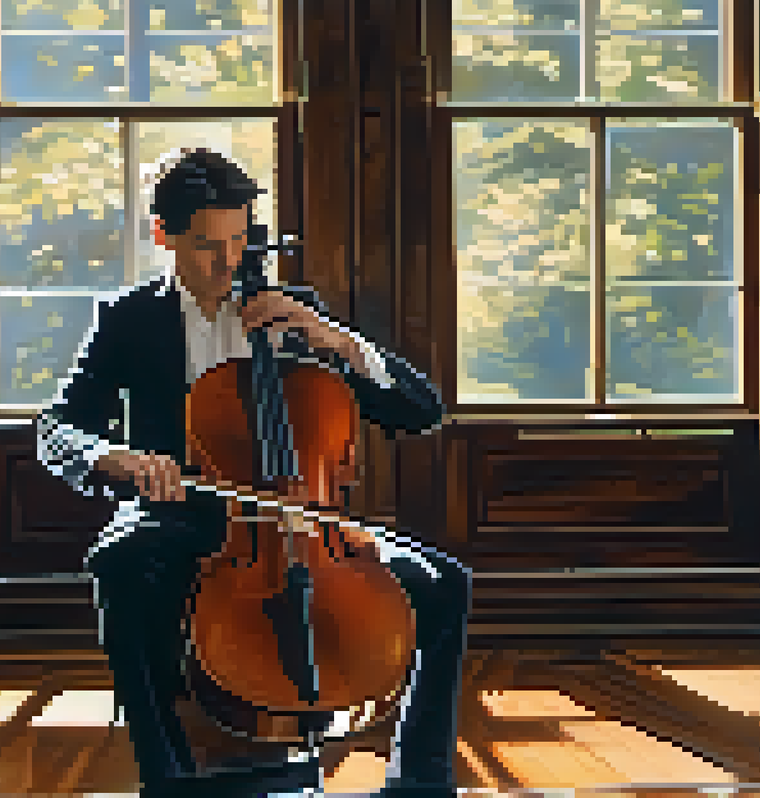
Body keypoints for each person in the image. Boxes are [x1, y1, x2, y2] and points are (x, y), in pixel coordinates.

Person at [36, 148, 470, 797]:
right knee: (119, 562)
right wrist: (113, 458)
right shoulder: (129, 318)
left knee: (443, 583)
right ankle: (168, 776)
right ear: (165, 235)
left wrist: (340, 343)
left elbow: (422, 412)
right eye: (210, 245)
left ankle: (419, 782)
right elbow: (57, 429)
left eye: (241, 239)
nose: (230, 262)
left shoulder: (293, 312)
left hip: (302, 517)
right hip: (178, 515)